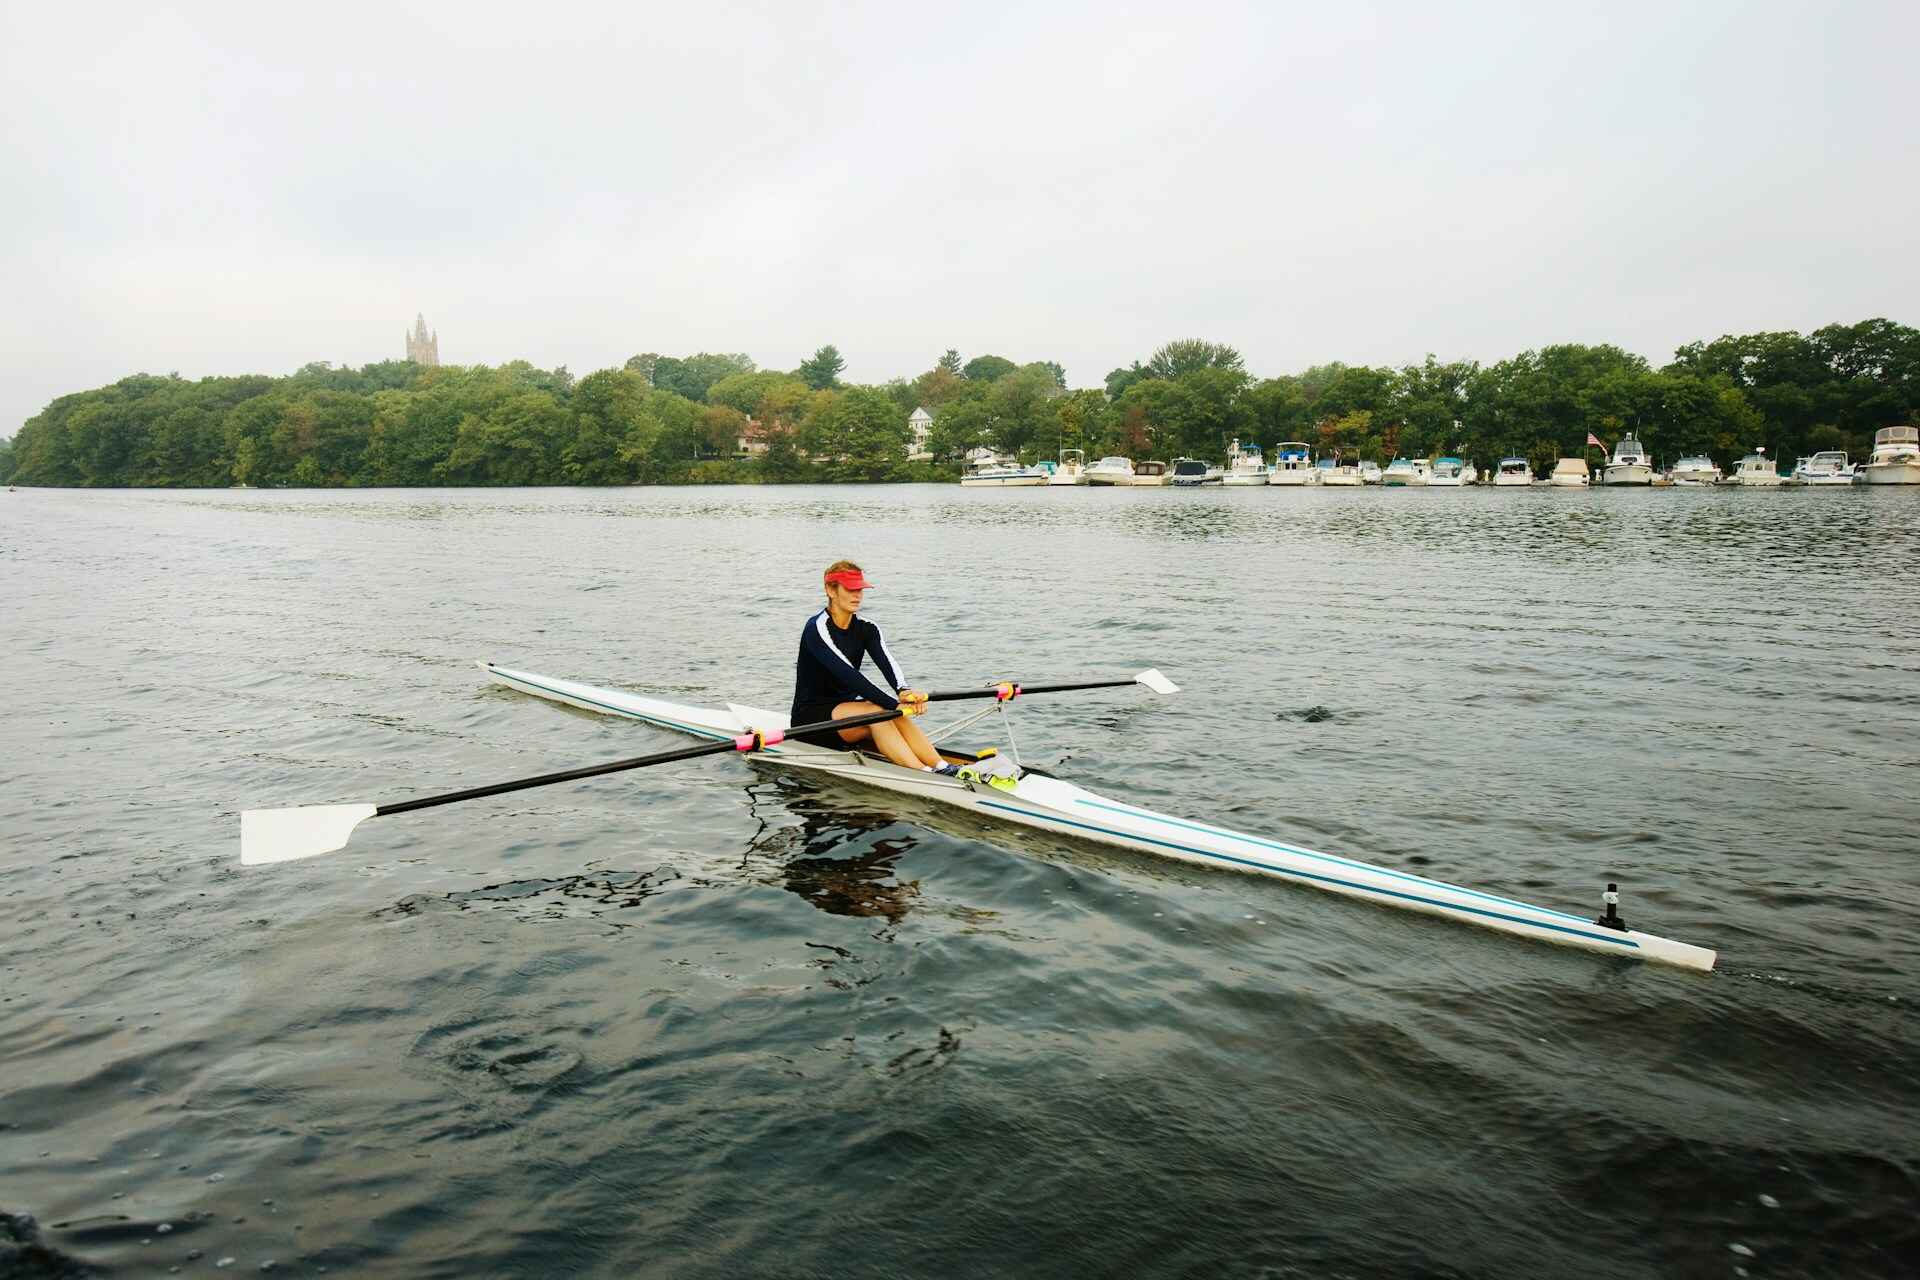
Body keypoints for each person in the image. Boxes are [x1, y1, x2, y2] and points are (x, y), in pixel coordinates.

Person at [790, 560, 958, 774]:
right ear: (830, 590)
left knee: (889, 712)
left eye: (860, 589)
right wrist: (891, 703)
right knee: (879, 712)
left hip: (847, 710)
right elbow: (850, 675)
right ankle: (925, 774)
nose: (857, 595)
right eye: (850, 589)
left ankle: (943, 766)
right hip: (811, 719)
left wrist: (903, 691)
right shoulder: (817, 628)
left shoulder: (867, 628)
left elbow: (887, 662)